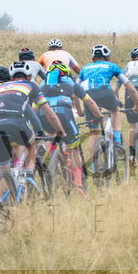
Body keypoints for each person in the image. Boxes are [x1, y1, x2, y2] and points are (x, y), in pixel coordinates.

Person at [0, 67, 64, 190]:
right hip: (17, 123)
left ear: (12, 78)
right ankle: (29, 176)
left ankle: (5, 202)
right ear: (29, 77)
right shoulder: (31, 86)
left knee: (3, 169)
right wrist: (60, 132)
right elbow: (49, 115)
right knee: (32, 146)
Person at [40, 61, 102, 193]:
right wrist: (98, 116)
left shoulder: (43, 84)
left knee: (52, 136)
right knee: (74, 150)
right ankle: (78, 185)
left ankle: (54, 163)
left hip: (44, 115)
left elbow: (34, 106)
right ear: (66, 73)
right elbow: (89, 101)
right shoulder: (71, 83)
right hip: (64, 114)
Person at [78, 44, 138, 158]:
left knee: (94, 133)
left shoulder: (85, 68)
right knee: (115, 111)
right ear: (107, 57)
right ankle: (117, 138)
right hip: (106, 93)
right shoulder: (112, 66)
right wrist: (137, 105)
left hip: (89, 96)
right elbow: (130, 88)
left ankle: (94, 167)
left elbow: (75, 90)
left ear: (93, 59)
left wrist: (79, 110)